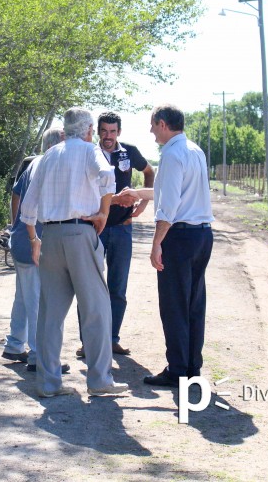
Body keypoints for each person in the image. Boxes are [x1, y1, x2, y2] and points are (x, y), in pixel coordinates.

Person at [19, 108, 129, 398]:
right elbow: (107, 176)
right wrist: (104, 212)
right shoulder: (91, 151)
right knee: (96, 309)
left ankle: (48, 383)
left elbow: (27, 207)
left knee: (50, 315)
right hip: (81, 233)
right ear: (90, 129)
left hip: (50, 236)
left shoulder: (49, 155)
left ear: (65, 129)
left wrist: (34, 240)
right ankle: (99, 379)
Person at [117, 105, 214, 387]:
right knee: (194, 304)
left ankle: (177, 370)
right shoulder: (194, 150)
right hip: (201, 235)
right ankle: (192, 366)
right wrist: (137, 193)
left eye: (152, 125)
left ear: (162, 124)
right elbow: (170, 192)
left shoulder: (171, 155)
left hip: (180, 238)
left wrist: (156, 243)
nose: (150, 131)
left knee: (174, 304)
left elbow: (169, 206)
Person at [77, 112, 155, 358]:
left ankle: (112, 339)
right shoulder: (89, 153)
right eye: (104, 131)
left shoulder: (129, 152)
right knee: (89, 287)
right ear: (97, 131)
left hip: (122, 228)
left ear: (119, 132)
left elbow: (149, 171)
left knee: (118, 287)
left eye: (112, 131)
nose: (108, 136)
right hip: (93, 229)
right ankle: (88, 342)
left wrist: (143, 202)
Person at [1, 128, 66, 373]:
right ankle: (39, 355)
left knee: (24, 297)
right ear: (56, 145)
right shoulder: (48, 165)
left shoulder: (34, 163)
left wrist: (16, 224)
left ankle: (14, 344)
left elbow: (15, 194)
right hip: (34, 242)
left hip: (22, 239)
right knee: (38, 300)